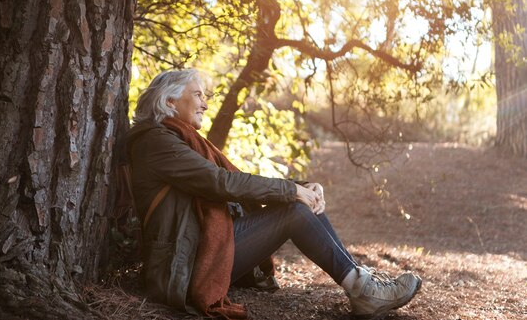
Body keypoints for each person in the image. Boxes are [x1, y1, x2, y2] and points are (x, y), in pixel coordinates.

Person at [125, 69, 422, 319]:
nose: (205, 103)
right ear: (170, 100)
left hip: (200, 253)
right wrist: (291, 192)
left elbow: (235, 182)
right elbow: (221, 183)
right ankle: (363, 290)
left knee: (298, 203)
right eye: (199, 94)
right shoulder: (156, 142)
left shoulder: (179, 139)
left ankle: (361, 283)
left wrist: (299, 185)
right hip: (183, 269)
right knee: (294, 210)